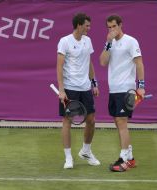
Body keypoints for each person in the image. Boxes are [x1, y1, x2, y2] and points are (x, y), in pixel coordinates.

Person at [99, 14, 145, 172]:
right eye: (109, 27)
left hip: (127, 89)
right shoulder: (109, 44)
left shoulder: (131, 41)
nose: (112, 30)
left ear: (120, 25)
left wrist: (141, 86)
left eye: (114, 26)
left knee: (122, 122)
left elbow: (139, 63)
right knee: (118, 122)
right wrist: (108, 43)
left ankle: (124, 159)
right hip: (114, 89)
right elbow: (103, 62)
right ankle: (130, 158)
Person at [57, 12, 100, 169]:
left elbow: (89, 63)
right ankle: (68, 157)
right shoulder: (65, 42)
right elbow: (59, 66)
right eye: (87, 25)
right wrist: (61, 90)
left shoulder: (87, 41)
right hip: (70, 88)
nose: (89, 28)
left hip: (85, 87)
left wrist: (94, 83)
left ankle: (86, 151)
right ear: (79, 25)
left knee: (91, 120)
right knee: (67, 121)